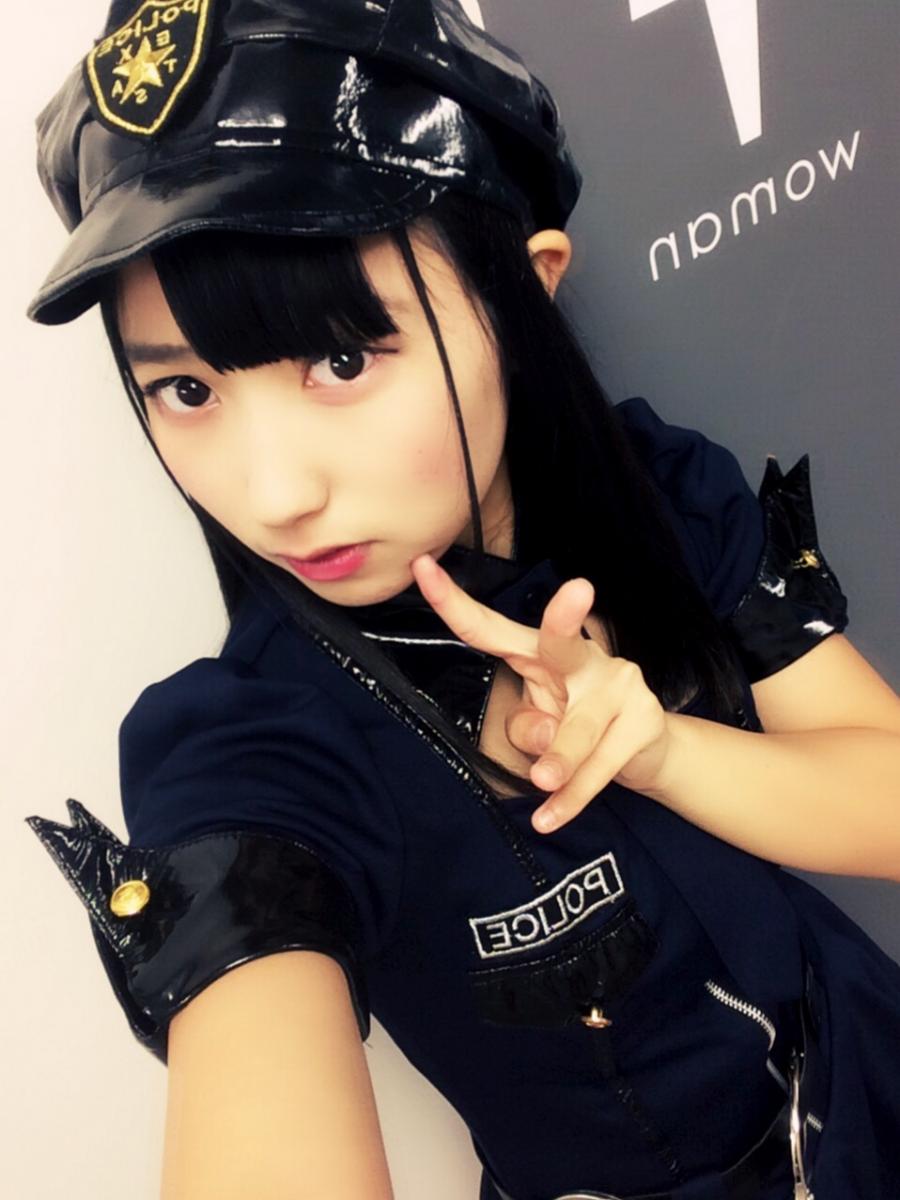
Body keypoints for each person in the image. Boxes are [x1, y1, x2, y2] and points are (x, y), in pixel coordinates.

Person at [23, 1, 900, 1198]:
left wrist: (668, 754)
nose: (272, 495)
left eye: (341, 359)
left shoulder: (657, 496)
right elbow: (255, 1055)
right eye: (186, 391)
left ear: (522, 294)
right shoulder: (257, 743)